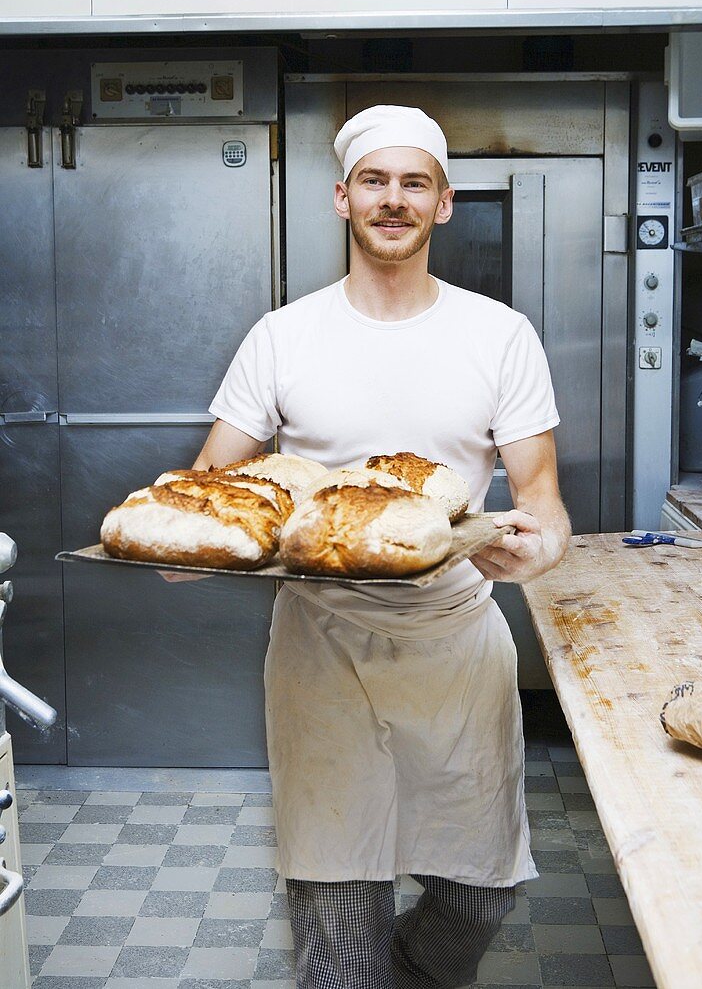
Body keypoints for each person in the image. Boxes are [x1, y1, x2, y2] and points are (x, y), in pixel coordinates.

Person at [165, 105, 571, 987]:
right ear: (342, 198)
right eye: (376, 182)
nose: (395, 200)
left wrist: (534, 550)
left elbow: (541, 502)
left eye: (414, 183)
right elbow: (210, 482)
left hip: (455, 639)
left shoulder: (497, 334)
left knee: (477, 894)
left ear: (444, 203)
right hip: (321, 645)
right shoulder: (284, 335)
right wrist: (186, 545)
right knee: (339, 914)